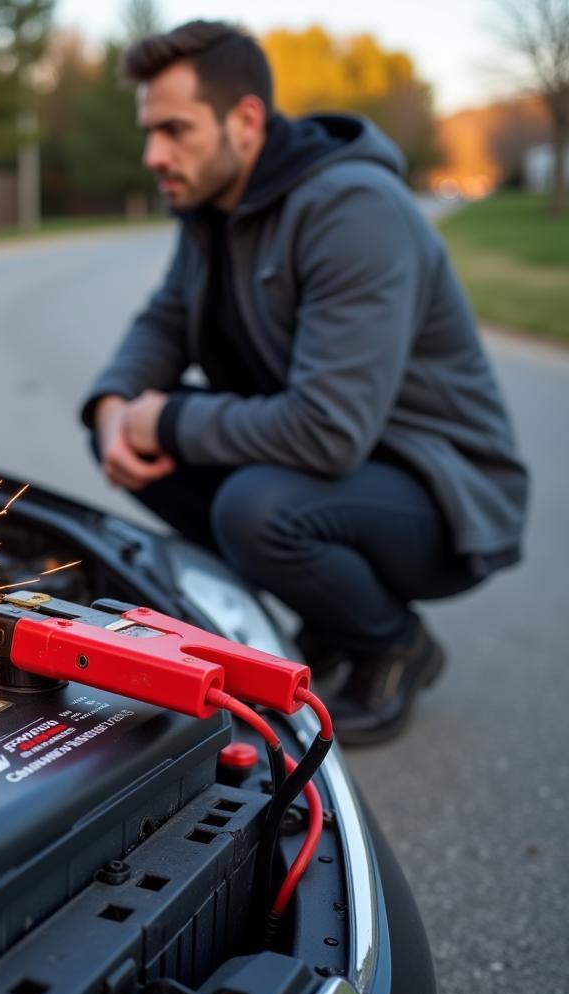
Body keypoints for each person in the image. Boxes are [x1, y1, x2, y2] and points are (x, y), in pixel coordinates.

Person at [81, 20, 528, 744]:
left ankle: (393, 644)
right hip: (342, 461)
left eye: (174, 130)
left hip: (442, 491)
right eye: (148, 131)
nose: (153, 155)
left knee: (256, 509)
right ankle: (328, 616)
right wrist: (111, 407)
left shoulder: (354, 210)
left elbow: (326, 429)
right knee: (138, 448)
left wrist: (162, 421)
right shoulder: (209, 212)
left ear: (246, 120)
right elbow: (163, 322)